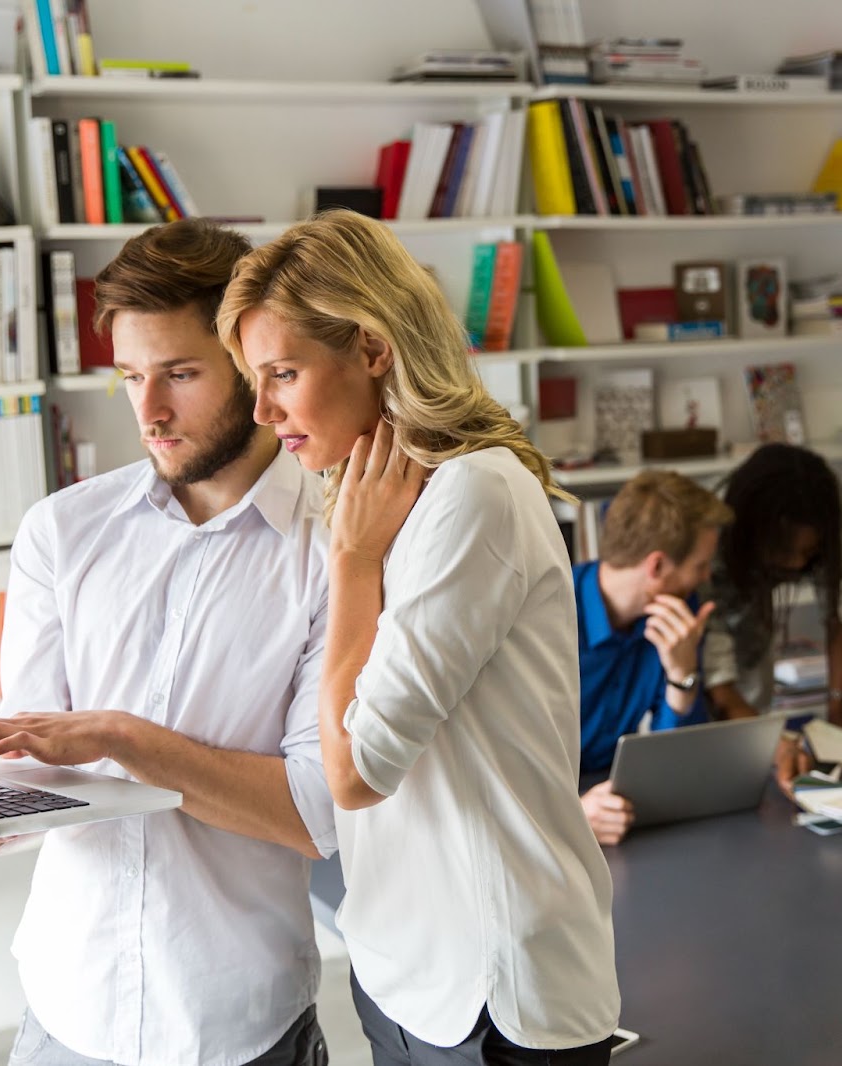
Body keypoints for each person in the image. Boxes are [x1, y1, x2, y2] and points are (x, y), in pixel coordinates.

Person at [0, 220, 337, 1066]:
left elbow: (312, 815)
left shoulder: (336, 549)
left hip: (236, 1021)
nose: (148, 410)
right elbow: (33, 749)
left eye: (181, 374)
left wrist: (123, 738)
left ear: (253, 367)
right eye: (129, 376)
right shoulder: (62, 531)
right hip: (67, 1005)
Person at [218, 209, 620, 1065]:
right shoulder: (368, 500)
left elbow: (357, 772)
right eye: (255, 379)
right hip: (402, 969)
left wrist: (355, 564)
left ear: (371, 348)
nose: (263, 409)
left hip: (492, 992)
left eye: (282, 373)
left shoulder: (472, 496)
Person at [572, 470, 733, 845]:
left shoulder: (677, 612)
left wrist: (682, 676)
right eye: (700, 565)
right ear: (657, 566)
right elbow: (490, 761)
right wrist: (570, 815)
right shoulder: (543, 614)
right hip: (542, 821)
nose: (706, 576)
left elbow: (678, 765)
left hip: (617, 808)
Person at [700, 443, 842, 790]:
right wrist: (770, 745)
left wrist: (838, 712)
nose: (798, 565)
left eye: (808, 552)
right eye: (786, 551)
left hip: (754, 638)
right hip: (702, 649)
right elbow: (719, 680)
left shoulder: (825, 510)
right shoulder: (711, 528)